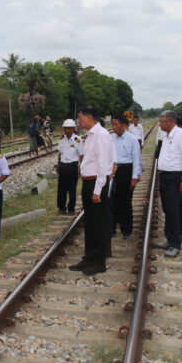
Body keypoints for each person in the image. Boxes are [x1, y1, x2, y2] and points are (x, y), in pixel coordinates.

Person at [69, 105, 114, 275]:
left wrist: (97, 191)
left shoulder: (101, 135)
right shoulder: (90, 135)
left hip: (97, 183)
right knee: (89, 223)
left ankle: (100, 262)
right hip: (88, 182)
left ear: (89, 117)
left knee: (99, 224)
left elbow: (103, 165)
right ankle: (89, 257)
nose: (78, 122)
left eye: (80, 118)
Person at [154, 111, 182, 258]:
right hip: (165, 176)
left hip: (175, 177)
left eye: (162, 121)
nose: (159, 124)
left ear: (170, 121)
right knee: (167, 209)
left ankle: (175, 244)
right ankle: (170, 240)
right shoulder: (167, 136)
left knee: (173, 210)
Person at [110, 115, 142, 241]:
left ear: (123, 125)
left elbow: (136, 160)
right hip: (113, 170)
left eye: (116, 125)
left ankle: (126, 229)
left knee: (125, 201)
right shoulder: (111, 138)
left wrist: (134, 177)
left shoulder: (132, 139)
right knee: (112, 200)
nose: (113, 127)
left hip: (126, 170)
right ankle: (112, 228)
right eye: (112, 125)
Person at [56, 119, 84, 215]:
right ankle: (62, 208)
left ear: (73, 129)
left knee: (72, 189)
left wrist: (81, 167)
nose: (67, 130)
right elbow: (60, 154)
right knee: (61, 189)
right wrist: (58, 165)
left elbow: (81, 155)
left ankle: (71, 209)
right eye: (65, 128)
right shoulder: (62, 140)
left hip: (72, 166)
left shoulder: (77, 140)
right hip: (63, 166)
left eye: (69, 128)